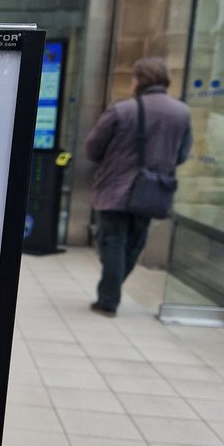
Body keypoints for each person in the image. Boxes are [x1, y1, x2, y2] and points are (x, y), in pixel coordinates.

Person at [84, 56, 191, 316]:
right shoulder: (181, 113)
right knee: (133, 244)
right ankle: (112, 287)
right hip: (152, 190)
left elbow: (93, 148)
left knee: (113, 242)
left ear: (138, 80)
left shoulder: (122, 110)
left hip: (115, 189)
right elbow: (182, 154)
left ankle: (108, 298)